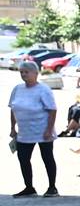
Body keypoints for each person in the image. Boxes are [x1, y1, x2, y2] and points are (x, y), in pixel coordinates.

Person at [9, 58, 58, 197]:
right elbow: (12, 108)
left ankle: (52, 187)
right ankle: (29, 187)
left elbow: (52, 110)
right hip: (24, 131)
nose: (24, 75)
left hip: (42, 130)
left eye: (26, 72)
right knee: (23, 158)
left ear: (35, 73)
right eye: (22, 72)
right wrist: (12, 127)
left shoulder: (43, 89)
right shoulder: (17, 89)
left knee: (47, 157)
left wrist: (49, 129)